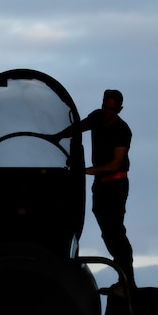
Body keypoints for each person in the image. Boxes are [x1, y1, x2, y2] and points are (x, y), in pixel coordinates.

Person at [57, 88, 134, 285]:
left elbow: (116, 164)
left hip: (116, 184)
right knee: (106, 226)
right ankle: (123, 273)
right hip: (100, 184)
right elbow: (77, 127)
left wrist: (87, 170)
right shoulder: (97, 117)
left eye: (111, 109)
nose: (107, 111)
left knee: (115, 229)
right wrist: (57, 137)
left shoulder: (123, 130)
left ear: (119, 109)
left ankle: (127, 276)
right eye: (105, 106)